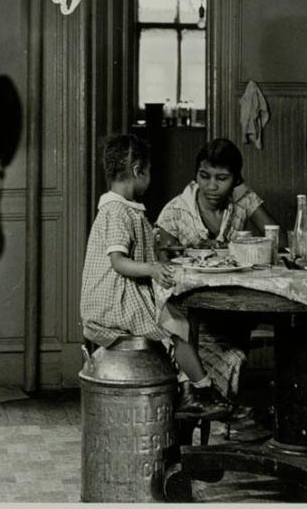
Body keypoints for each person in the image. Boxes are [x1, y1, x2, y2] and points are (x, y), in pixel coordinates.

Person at [80, 133, 231, 414]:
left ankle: (192, 387)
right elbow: (118, 262)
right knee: (178, 324)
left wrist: (157, 245)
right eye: (147, 172)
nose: (149, 179)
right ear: (138, 170)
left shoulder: (124, 209)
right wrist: (152, 268)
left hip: (120, 295)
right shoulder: (116, 211)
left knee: (176, 319)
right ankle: (200, 390)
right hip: (112, 302)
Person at [155, 137, 278, 401]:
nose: (211, 186)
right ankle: (206, 396)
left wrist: (245, 191)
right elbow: (162, 266)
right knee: (228, 354)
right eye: (204, 176)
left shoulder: (240, 204)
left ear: (235, 179)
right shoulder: (176, 212)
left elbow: (279, 240)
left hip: (234, 311)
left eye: (222, 178)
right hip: (191, 318)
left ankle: (225, 406)